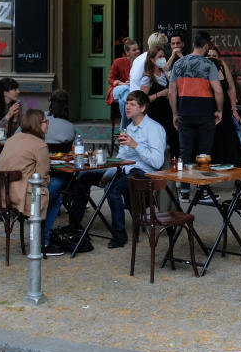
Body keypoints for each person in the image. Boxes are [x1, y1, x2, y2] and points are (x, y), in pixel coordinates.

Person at [67, 90, 166, 249]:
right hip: (124, 169)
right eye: (127, 103)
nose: (127, 107)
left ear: (142, 108)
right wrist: (109, 170)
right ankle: (74, 225)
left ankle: (119, 235)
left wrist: (135, 145)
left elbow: (157, 162)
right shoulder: (129, 128)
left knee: (112, 189)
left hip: (144, 173)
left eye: (132, 104)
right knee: (82, 176)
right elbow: (121, 157)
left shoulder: (154, 129)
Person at [0, 108, 65, 255]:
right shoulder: (40, 145)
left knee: (52, 189)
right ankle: (43, 242)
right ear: (37, 124)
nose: (48, 124)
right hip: (23, 196)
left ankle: (38, 229)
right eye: (46, 121)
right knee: (58, 191)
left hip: (2, 193)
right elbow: (41, 176)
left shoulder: (12, 139)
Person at [167, 32, 224, 198]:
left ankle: (184, 191)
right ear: (206, 46)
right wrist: (219, 110)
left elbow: (171, 92)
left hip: (185, 113)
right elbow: (218, 91)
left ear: (193, 44)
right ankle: (203, 189)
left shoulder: (179, 64)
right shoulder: (209, 65)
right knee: (204, 152)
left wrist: (175, 113)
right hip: (205, 113)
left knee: (185, 152)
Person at [208, 46, 241, 166]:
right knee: (212, 138)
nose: (211, 58)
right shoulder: (203, 68)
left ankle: (234, 167)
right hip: (210, 108)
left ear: (219, 58)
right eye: (209, 55)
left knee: (229, 137)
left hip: (225, 108)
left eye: (214, 56)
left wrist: (234, 109)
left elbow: (231, 88)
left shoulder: (222, 66)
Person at [143, 45, 178, 159]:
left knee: (173, 139)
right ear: (152, 59)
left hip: (167, 112)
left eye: (164, 56)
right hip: (155, 115)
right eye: (160, 57)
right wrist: (160, 94)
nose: (163, 59)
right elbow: (142, 99)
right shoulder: (148, 77)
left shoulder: (165, 74)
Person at [127, 32, 168, 127]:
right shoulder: (146, 61)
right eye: (163, 46)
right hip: (145, 108)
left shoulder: (140, 58)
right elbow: (142, 90)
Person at [107, 38, 139, 131]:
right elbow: (110, 79)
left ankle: (124, 128)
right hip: (117, 89)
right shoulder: (118, 62)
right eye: (134, 50)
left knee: (125, 99)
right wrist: (122, 83)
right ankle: (127, 127)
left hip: (131, 92)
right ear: (127, 52)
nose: (137, 51)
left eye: (138, 49)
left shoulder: (141, 62)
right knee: (126, 89)